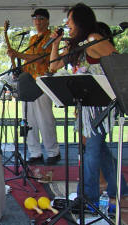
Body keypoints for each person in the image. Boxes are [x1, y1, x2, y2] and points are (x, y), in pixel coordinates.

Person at [49, 3, 128, 204]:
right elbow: (54, 66)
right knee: (98, 150)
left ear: (81, 21)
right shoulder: (76, 45)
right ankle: (120, 190)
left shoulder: (93, 39)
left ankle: (89, 198)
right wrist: (55, 43)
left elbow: (118, 63)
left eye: (70, 19)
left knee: (92, 150)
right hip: (86, 107)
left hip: (101, 106)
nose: (67, 23)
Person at [7, 8, 60, 165]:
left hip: (43, 83)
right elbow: (28, 62)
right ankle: (35, 152)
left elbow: (41, 59)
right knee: (29, 120)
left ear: (47, 21)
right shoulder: (32, 39)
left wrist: (19, 55)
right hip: (29, 82)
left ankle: (53, 152)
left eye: (41, 19)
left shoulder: (51, 38)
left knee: (45, 119)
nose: (38, 21)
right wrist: (19, 70)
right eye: (35, 19)